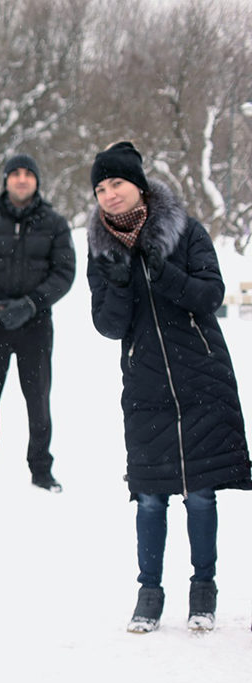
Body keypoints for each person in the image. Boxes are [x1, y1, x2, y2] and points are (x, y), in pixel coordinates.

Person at [86, 141, 251, 633]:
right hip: (146, 386)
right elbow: (109, 327)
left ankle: (204, 590)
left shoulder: (186, 231)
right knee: (151, 496)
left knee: (200, 494)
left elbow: (211, 294)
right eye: (99, 187)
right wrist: (117, 284)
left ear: (138, 184)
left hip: (201, 375)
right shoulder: (101, 248)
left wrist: (164, 273)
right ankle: (149, 592)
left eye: (116, 183)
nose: (108, 194)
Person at [0, 151, 76, 491]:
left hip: (36, 325)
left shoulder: (55, 223)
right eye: (15, 173)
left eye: (28, 173)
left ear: (37, 181)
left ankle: (41, 468)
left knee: (38, 398)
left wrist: (32, 303)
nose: (22, 178)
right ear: (6, 180)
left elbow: (64, 272)